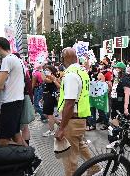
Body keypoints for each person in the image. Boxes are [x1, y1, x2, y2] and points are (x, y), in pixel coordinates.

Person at [55, 47, 100, 176]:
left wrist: (62, 127)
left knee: (70, 158)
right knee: (80, 145)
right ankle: (95, 167)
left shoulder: (71, 75)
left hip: (72, 120)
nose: (62, 61)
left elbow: (69, 103)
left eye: (62, 58)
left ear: (65, 58)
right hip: (80, 118)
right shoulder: (82, 71)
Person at [0, 37, 25, 146]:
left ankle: (27, 155)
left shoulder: (7, 60)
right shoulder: (16, 59)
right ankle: (30, 158)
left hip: (10, 103)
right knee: (16, 135)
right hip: (17, 101)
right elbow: (5, 75)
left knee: (3, 141)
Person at [42, 65, 61, 137]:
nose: (45, 71)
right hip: (46, 96)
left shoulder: (52, 78)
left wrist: (40, 70)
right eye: (45, 69)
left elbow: (59, 86)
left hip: (50, 97)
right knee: (47, 114)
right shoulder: (48, 77)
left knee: (49, 114)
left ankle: (51, 130)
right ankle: (58, 122)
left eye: (47, 70)